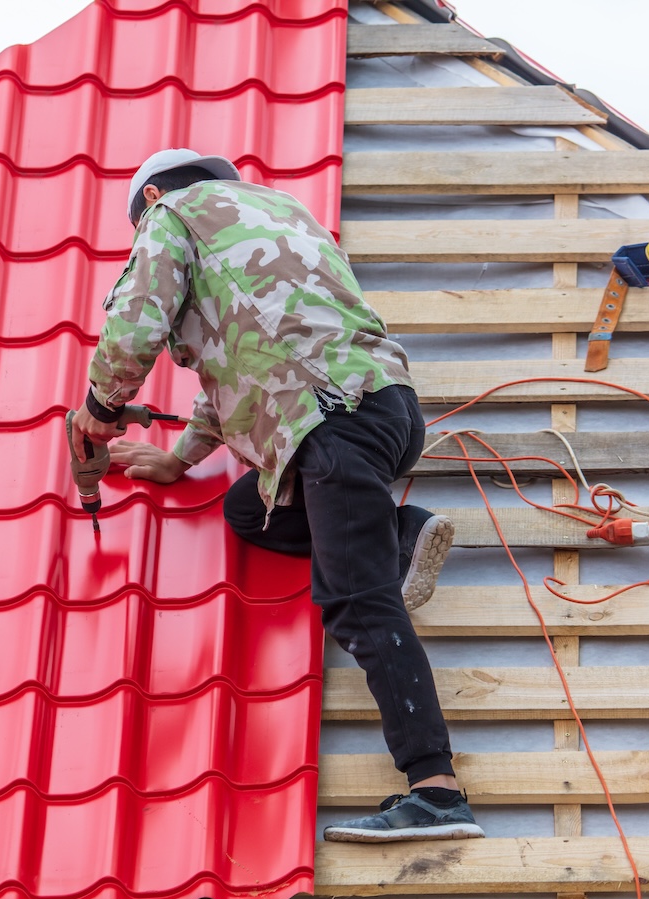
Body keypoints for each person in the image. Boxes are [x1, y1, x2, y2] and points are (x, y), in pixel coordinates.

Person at [68, 149, 484, 843]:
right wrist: (178, 460)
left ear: (149, 201)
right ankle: (398, 529)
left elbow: (137, 318)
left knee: (355, 596)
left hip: (326, 421)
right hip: (388, 408)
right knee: (245, 509)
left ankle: (435, 789)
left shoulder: (170, 217)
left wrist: (99, 407)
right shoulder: (284, 214)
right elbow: (236, 365)